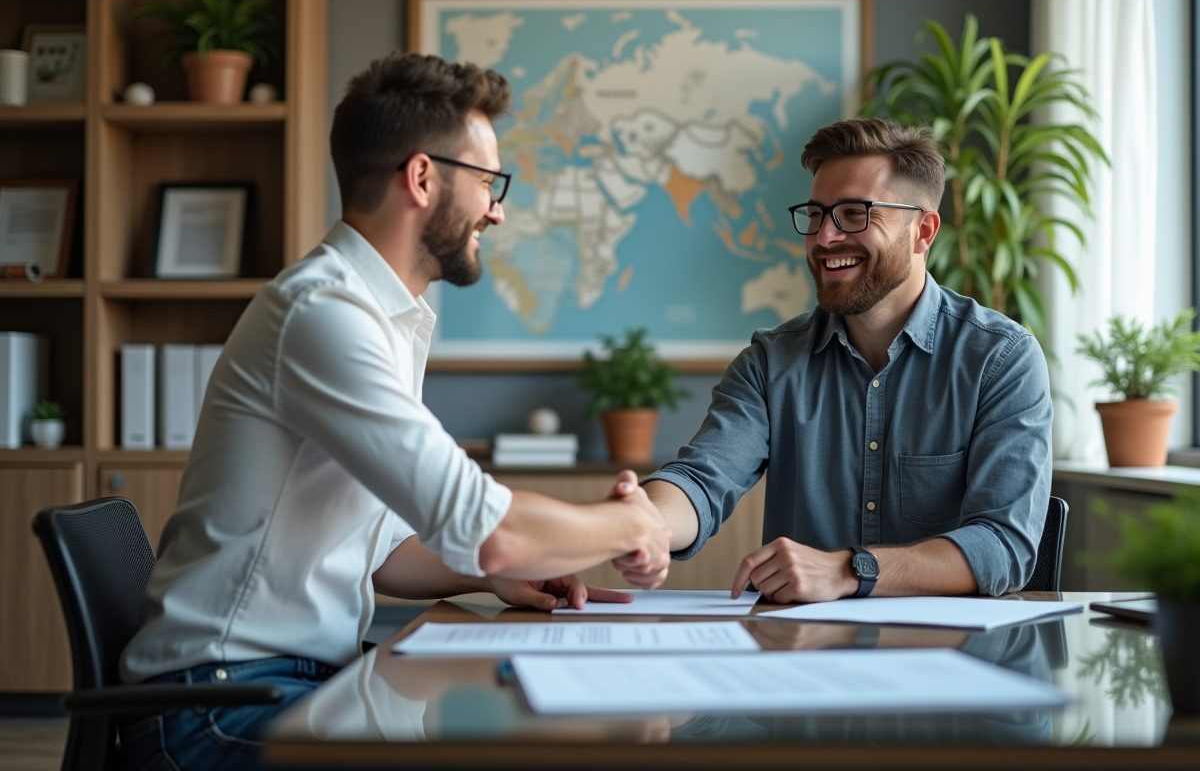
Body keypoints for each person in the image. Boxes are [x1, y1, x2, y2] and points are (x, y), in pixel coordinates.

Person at [117, 52, 672, 769]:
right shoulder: (324, 314)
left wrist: (490, 577)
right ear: (421, 178)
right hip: (217, 708)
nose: (497, 210)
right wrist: (633, 521)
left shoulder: (377, 314)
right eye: (487, 183)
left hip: (281, 685)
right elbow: (490, 526)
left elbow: (379, 555)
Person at [642, 117, 1052, 604]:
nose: (824, 238)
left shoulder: (1000, 358)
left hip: (955, 662)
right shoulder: (772, 361)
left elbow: (1004, 545)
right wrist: (640, 524)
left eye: (854, 214)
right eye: (816, 215)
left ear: (923, 230)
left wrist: (850, 570)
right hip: (803, 659)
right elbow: (702, 480)